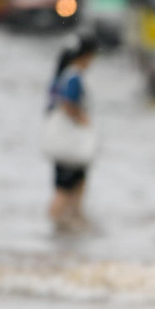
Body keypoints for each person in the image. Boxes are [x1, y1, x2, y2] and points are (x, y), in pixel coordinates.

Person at [46, 32, 99, 231]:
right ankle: (58, 224)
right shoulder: (74, 77)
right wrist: (83, 120)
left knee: (72, 185)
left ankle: (64, 227)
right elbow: (68, 104)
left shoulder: (62, 74)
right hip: (70, 144)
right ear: (86, 55)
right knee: (66, 189)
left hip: (65, 144)